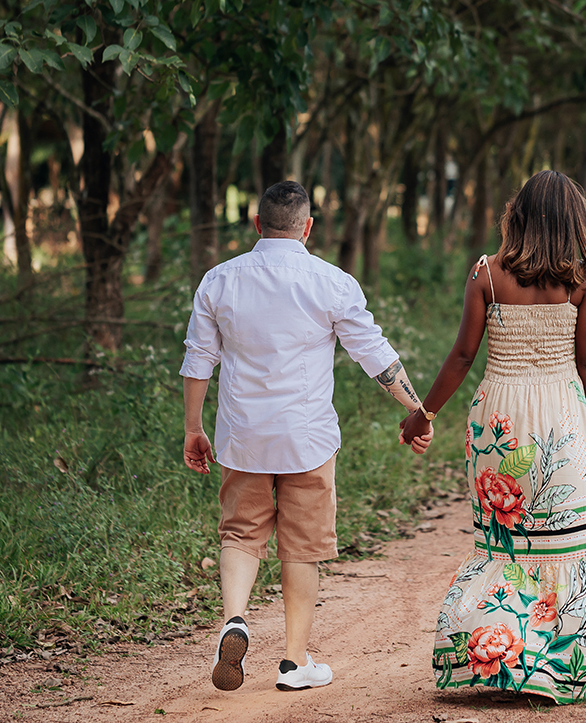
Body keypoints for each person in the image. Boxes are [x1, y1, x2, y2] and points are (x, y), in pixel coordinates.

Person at [180, 180, 433, 693]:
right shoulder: (332, 282)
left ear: (257, 224)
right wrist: (417, 409)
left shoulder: (219, 281)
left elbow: (198, 358)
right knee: (302, 548)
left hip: (243, 436)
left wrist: (193, 427)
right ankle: (295, 663)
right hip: (308, 439)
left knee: (240, 534)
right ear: (308, 228)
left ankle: (234, 620)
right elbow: (374, 354)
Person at [400, 170, 586, 704]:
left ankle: (498, 655)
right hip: (561, 417)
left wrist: (423, 413)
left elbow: (462, 356)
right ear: (574, 220)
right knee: (572, 537)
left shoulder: (488, 275)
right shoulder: (582, 282)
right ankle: (562, 663)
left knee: (507, 542)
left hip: (499, 421)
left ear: (517, 215)